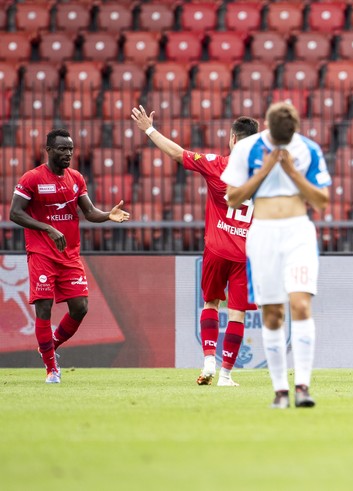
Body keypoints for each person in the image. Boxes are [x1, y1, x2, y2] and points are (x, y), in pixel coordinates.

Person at [131, 106, 260, 387]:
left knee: (211, 302)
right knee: (238, 313)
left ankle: (208, 361)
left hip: (216, 249)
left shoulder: (217, 165)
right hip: (245, 255)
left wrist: (149, 129)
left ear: (234, 140)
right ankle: (226, 375)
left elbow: (177, 153)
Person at [221, 102, 331, 408]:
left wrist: (292, 172)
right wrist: (267, 169)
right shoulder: (247, 150)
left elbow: (321, 200)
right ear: (268, 129)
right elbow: (232, 197)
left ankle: (303, 387)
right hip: (263, 233)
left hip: (298, 232)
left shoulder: (307, 148)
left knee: (300, 304)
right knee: (272, 312)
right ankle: (280, 390)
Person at [9, 128, 130, 383]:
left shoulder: (76, 178)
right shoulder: (32, 178)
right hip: (41, 253)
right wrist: (47, 228)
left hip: (69, 255)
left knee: (80, 307)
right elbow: (15, 213)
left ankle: (51, 344)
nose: (68, 153)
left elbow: (89, 212)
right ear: (49, 150)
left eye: (71, 149)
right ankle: (52, 369)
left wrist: (108, 215)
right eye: (63, 149)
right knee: (44, 308)